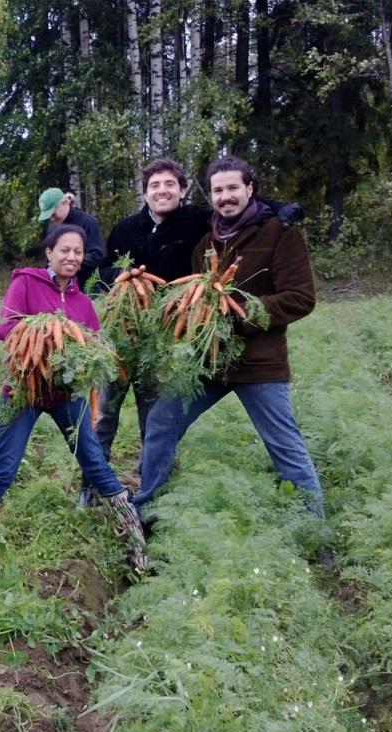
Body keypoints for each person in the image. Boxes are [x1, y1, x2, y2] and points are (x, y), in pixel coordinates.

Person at [85, 158, 304, 509]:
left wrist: (284, 210)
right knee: (119, 415)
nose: (162, 191)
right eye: (154, 185)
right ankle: (114, 493)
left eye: (170, 184)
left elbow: (247, 209)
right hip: (148, 344)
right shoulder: (136, 230)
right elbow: (99, 273)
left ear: (183, 191)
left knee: (156, 419)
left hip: (202, 350)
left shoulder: (203, 223)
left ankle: (151, 496)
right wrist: (123, 281)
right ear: (144, 193)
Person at [137, 155, 324, 519]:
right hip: (209, 364)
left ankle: (314, 529)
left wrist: (236, 311)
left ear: (250, 189)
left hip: (259, 364)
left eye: (233, 188)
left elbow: (301, 298)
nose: (225, 197)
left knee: (285, 446)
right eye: (218, 190)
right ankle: (147, 509)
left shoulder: (280, 233)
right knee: (162, 420)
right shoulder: (207, 239)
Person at [0, 223, 147, 570]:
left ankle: (135, 541)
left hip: (66, 396)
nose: (71, 257)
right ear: (49, 253)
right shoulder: (25, 283)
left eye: (78, 252)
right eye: (64, 250)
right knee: (4, 467)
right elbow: (4, 328)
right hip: (23, 391)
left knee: (95, 463)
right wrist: (51, 331)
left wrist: (85, 348)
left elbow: (96, 346)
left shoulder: (84, 302)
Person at [37, 187, 106, 291]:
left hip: (86, 288)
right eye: (49, 216)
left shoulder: (88, 223)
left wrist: (70, 263)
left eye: (53, 213)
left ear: (64, 203)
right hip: (58, 288)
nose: (51, 218)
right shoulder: (53, 228)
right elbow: (49, 260)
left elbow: (97, 255)